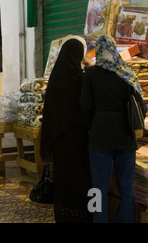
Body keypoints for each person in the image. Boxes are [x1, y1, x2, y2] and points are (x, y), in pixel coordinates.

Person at [80, 35, 147, 223]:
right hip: (125, 136)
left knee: (98, 187)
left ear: (99, 50)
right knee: (126, 187)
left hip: (100, 136)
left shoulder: (91, 74)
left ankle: (98, 220)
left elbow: (84, 105)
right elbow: (141, 106)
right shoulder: (126, 73)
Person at [40, 38, 93, 223]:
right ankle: (81, 216)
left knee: (63, 182)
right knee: (80, 182)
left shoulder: (56, 77)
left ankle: (63, 216)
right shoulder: (80, 78)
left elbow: (49, 112)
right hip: (78, 140)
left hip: (60, 142)